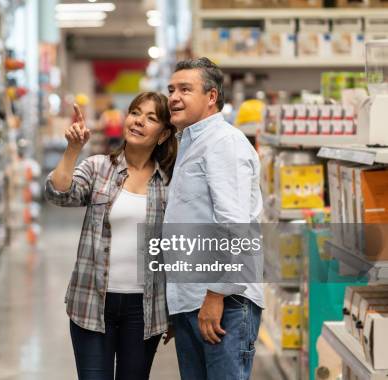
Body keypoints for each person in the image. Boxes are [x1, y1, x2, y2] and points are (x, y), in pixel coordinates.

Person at [45, 92, 178, 380]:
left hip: (144, 309)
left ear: (164, 133)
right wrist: (72, 150)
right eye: (135, 112)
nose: (139, 121)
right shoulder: (98, 167)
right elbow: (58, 194)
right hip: (92, 302)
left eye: (151, 118)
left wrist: (175, 308)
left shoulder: (170, 183)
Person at [163, 58, 264, 379]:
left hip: (224, 302)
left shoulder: (223, 143)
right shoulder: (192, 143)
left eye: (185, 89)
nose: (174, 97)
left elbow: (234, 224)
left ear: (211, 97)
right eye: (171, 90)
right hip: (194, 301)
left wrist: (216, 294)